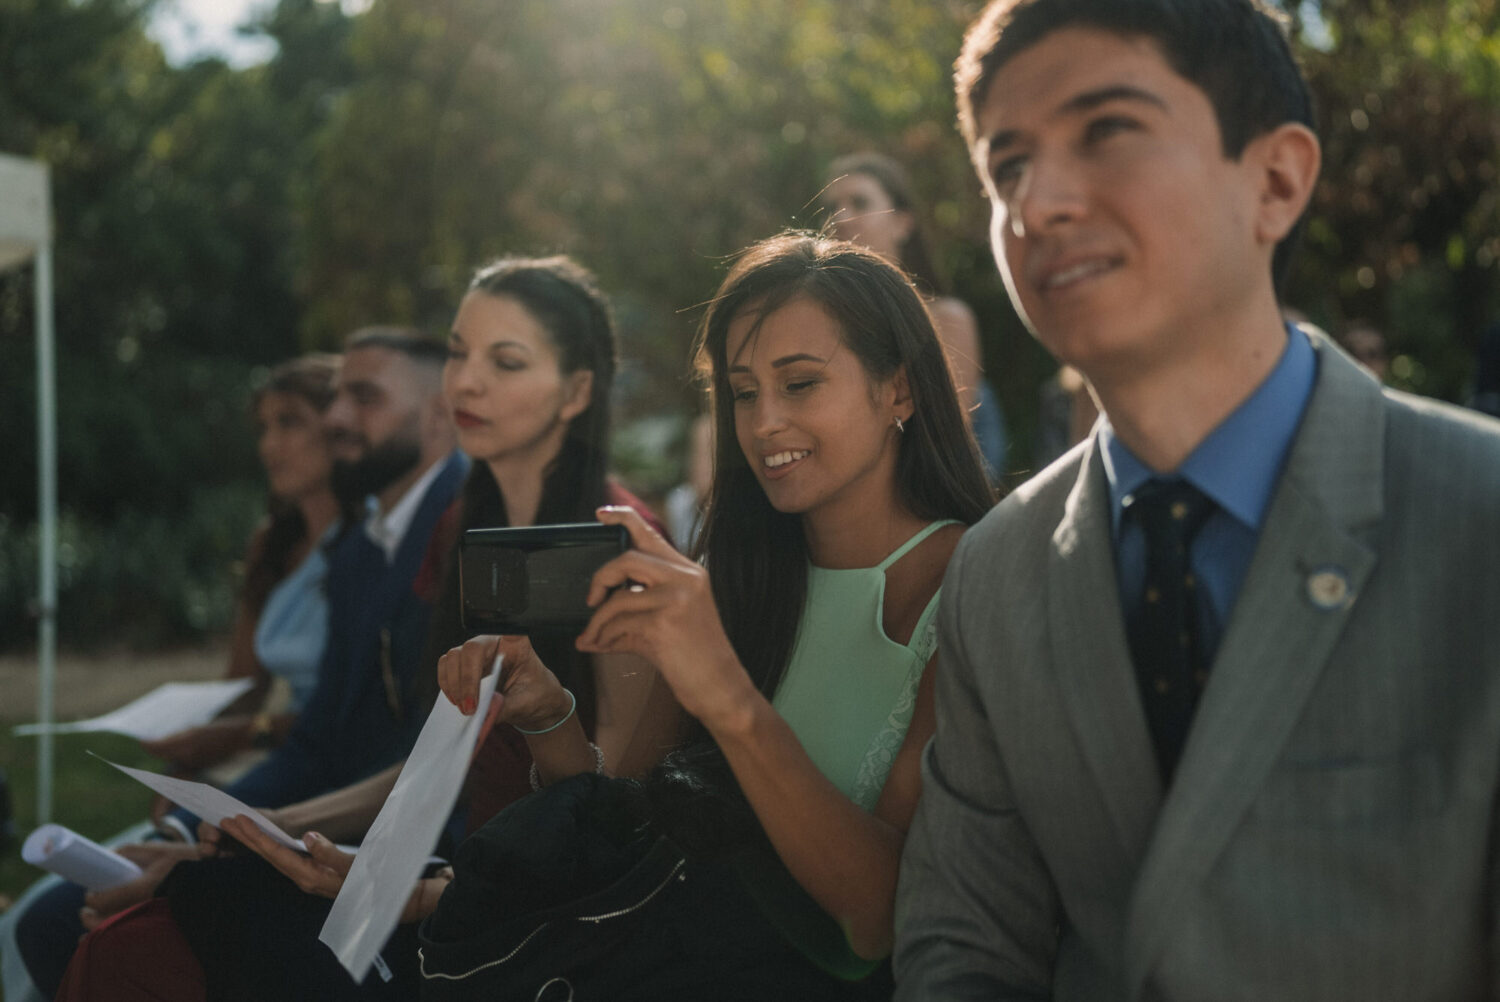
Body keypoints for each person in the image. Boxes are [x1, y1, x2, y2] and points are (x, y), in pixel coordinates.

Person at [894, 1, 1500, 999]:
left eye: (1108, 130)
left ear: (1275, 179)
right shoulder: (997, 571)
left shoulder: (1478, 519)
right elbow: (963, 941)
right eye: (1008, 166)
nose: (1037, 203)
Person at [52, 256, 680, 1001]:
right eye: (457, 352)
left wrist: (405, 882)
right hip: (431, 869)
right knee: (145, 928)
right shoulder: (463, 530)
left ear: (577, 391)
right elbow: (445, 753)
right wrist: (273, 824)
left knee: (157, 938)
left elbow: (621, 826)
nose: (466, 382)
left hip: (525, 924)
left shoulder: (622, 547)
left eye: (505, 361)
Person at [426, 232, 994, 999]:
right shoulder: (733, 580)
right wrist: (547, 715)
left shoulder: (973, 585)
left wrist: (728, 699)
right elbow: (625, 825)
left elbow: (879, 919)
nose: (763, 424)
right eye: (743, 392)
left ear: (898, 389)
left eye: (799, 384)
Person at [12, 327, 467, 998]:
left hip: (400, 851)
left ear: (439, 413)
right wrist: (211, 823)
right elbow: (316, 735)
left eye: (361, 397)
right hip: (323, 819)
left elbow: (437, 762)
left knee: (83, 926)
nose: (338, 418)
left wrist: (252, 832)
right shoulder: (365, 545)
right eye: (336, 398)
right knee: (60, 918)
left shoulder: (459, 530)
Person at [140, 353, 346, 781]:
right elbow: (243, 689)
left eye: (289, 422)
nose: (268, 445)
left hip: (340, 754)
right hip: (278, 748)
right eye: (264, 428)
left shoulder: (373, 542)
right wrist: (193, 750)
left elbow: (363, 712)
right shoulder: (270, 543)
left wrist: (238, 738)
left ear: (341, 426)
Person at [822, 151, 1009, 479]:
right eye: (831, 208)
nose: (840, 218)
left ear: (902, 223)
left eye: (860, 203)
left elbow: (947, 437)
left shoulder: (946, 319)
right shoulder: (821, 324)